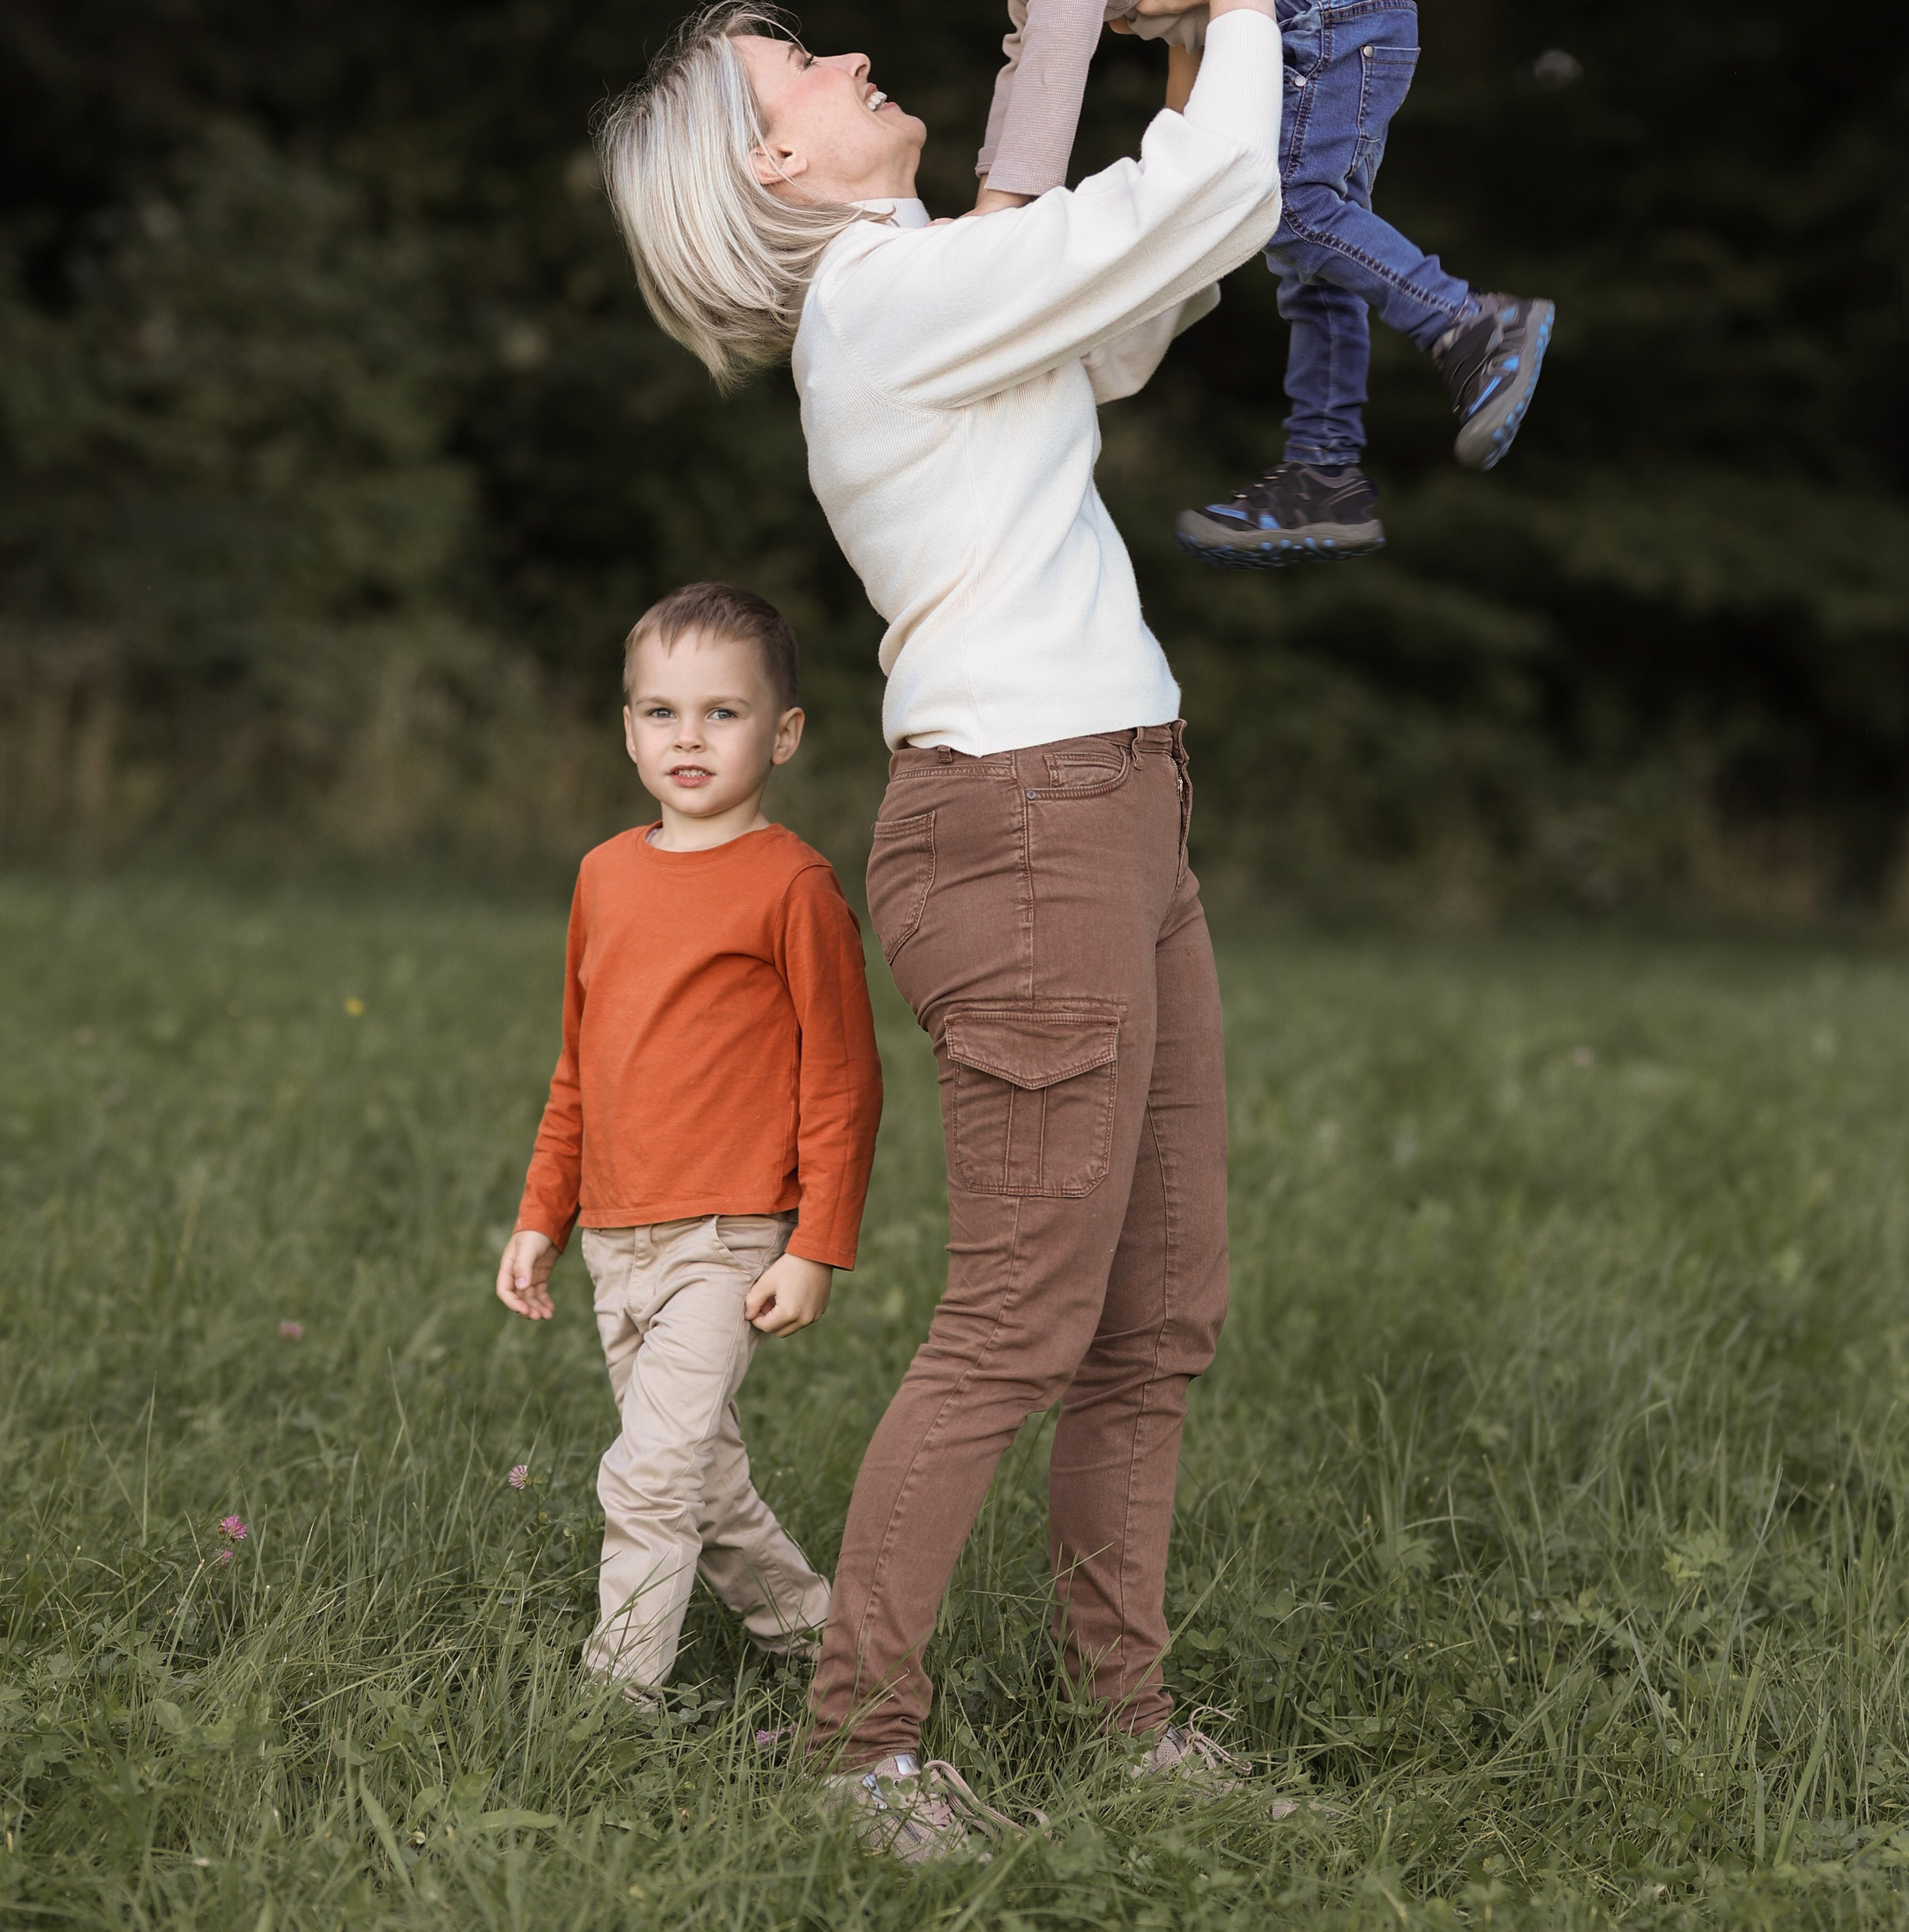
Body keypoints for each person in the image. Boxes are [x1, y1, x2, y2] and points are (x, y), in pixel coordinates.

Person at [598, 0, 1280, 1860]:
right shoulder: (881, 309)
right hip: (1026, 827)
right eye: (793, 71)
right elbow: (1211, 193)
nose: (835, 63)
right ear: (770, 166)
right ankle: (856, 1746)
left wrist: (1126, 36)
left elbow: (1131, 301)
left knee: (1154, 1314)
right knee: (1017, 1317)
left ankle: (1123, 1715)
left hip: (1117, 804)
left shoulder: (926, 283)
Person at [494, 582, 883, 1700]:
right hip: (617, 1237)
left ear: (785, 733)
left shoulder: (794, 887)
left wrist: (817, 1243)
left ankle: (607, 1709)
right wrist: (541, 1215)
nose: (690, 737)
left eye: (724, 712)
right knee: (703, 1485)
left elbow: (844, 1081)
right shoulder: (605, 877)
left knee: (652, 1480)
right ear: (628, 730)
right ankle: (828, 1657)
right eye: (662, 712)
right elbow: (579, 1065)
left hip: (729, 1236)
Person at [975, 0, 1556, 565]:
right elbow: (1041, 56)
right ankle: (1321, 470)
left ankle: (1469, 320)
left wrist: (999, 216)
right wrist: (1171, 173)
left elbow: (1054, 61)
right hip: (1333, 27)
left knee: (1288, 208)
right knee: (1313, 255)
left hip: (1328, 22)